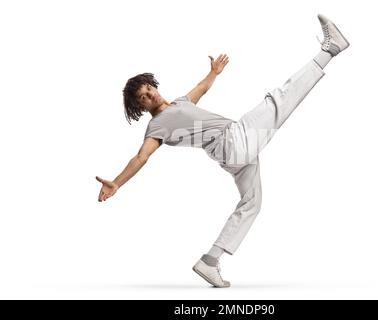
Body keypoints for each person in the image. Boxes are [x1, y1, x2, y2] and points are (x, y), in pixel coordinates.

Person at [96, 14, 350, 288]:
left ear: (153, 84)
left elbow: (200, 90)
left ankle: (210, 260)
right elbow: (141, 157)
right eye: (143, 98)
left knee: (252, 203)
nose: (150, 95)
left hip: (232, 156)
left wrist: (213, 73)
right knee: (278, 100)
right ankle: (329, 49)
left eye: (148, 88)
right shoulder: (157, 127)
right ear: (141, 108)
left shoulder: (179, 103)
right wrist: (117, 183)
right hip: (233, 141)